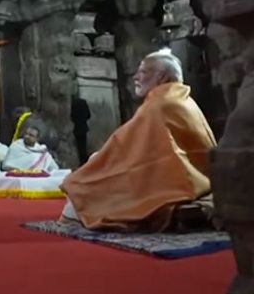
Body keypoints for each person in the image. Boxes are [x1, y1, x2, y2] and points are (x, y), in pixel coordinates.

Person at [60, 48, 217, 231]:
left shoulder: (159, 104)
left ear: (162, 77)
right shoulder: (182, 99)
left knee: (83, 179)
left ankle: (76, 214)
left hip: (174, 181)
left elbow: (122, 145)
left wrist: (95, 163)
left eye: (142, 72)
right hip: (193, 177)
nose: (135, 77)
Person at [71, 95, 91, 165]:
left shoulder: (73, 104)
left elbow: (72, 117)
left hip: (77, 128)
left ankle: (81, 162)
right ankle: (85, 161)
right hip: (84, 127)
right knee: (84, 145)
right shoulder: (83, 103)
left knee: (79, 147)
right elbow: (88, 115)